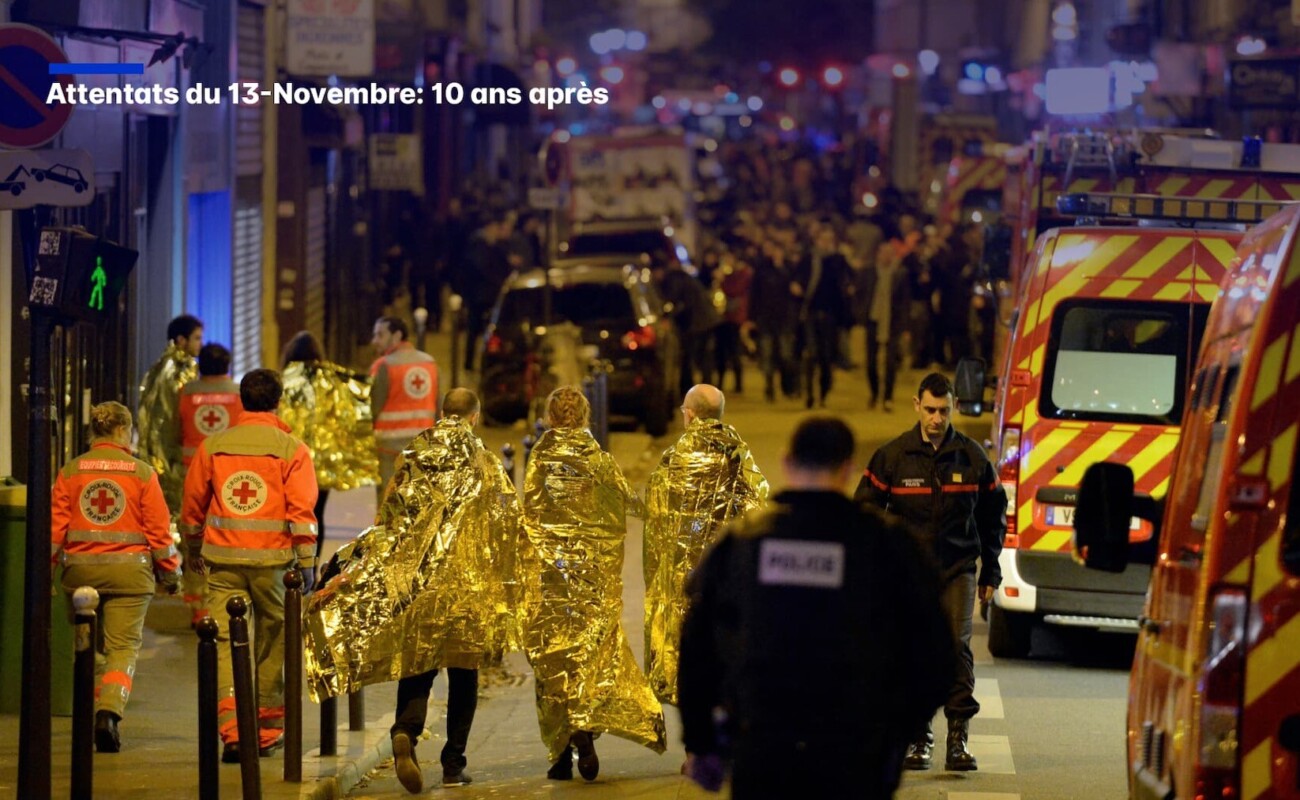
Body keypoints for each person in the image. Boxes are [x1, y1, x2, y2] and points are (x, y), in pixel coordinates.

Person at [678, 416, 956, 798]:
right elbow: (937, 656)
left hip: (762, 749)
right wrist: (895, 734)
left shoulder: (742, 544)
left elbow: (696, 651)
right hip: (854, 754)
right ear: (847, 470)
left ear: (787, 463)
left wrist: (703, 740)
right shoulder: (887, 546)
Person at [303, 388, 527, 792]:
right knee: (464, 678)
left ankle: (404, 731)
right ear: (474, 418)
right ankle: (453, 765)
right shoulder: (486, 463)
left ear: (441, 413)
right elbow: (504, 521)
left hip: (418, 584)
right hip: (466, 589)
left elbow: (390, 518)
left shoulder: (413, 454)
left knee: (418, 663)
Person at [855, 372, 1006, 772]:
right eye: (930, 410)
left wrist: (991, 569)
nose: (937, 418)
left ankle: (958, 739)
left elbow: (994, 517)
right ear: (916, 405)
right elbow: (865, 513)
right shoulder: (893, 457)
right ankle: (918, 737)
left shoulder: (972, 458)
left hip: (958, 568)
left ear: (953, 407)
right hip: (909, 574)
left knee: (955, 647)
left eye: (944, 410)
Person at [520, 386, 667, 781]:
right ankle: (585, 731)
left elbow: (529, 514)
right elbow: (627, 502)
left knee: (553, 658)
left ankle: (559, 750)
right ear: (586, 416)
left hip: (552, 577)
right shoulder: (596, 458)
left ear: (550, 417)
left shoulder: (541, 457)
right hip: (592, 577)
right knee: (590, 654)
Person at [180, 368, 319, 763]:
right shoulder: (292, 449)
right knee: (274, 641)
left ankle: (232, 732)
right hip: (273, 563)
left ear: (241, 401)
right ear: (278, 402)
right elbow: (301, 510)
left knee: (225, 643)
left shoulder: (213, 446)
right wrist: (307, 560)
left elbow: (192, 506)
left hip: (222, 561)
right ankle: (266, 729)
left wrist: (193, 548)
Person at [51, 402, 183, 754]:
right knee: (122, 649)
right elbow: (158, 532)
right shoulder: (141, 473)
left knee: (88, 650)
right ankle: (108, 712)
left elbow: (54, 532)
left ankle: (91, 714)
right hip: (130, 575)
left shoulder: (70, 471)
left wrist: (47, 573)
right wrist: (171, 575)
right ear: (124, 431)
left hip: (79, 574)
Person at [643, 384, 768, 706]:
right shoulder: (737, 454)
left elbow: (657, 520)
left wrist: (658, 577)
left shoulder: (674, 458)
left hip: (687, 577)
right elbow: (757, 506)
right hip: (727, 572)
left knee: (690, 655)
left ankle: (695, 749)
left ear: (690, 414)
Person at [279, 331, 379, 560]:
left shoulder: (284, 381)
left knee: (287, 515)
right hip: (320, 468)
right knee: (315, 516)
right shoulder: (332, 381)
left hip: (289, 462)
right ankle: (310, 566)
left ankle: (288, 564)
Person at [138, 314, 203, 513]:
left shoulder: (160, 366)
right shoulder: (178, 371)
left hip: (155, 452)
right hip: (171, 454)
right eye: (197, 338)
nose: (201, 343)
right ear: (182, 340)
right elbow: (174, 416)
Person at [370, 316, 439, 498]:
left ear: (397, 336)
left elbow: (373, 408)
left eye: (380, 335)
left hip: (389, 447)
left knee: (389, 499)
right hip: (422, 446)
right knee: (419, 499)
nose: (374, 341)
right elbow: (438, 405)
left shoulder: (383, 366)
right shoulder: (429, 363)